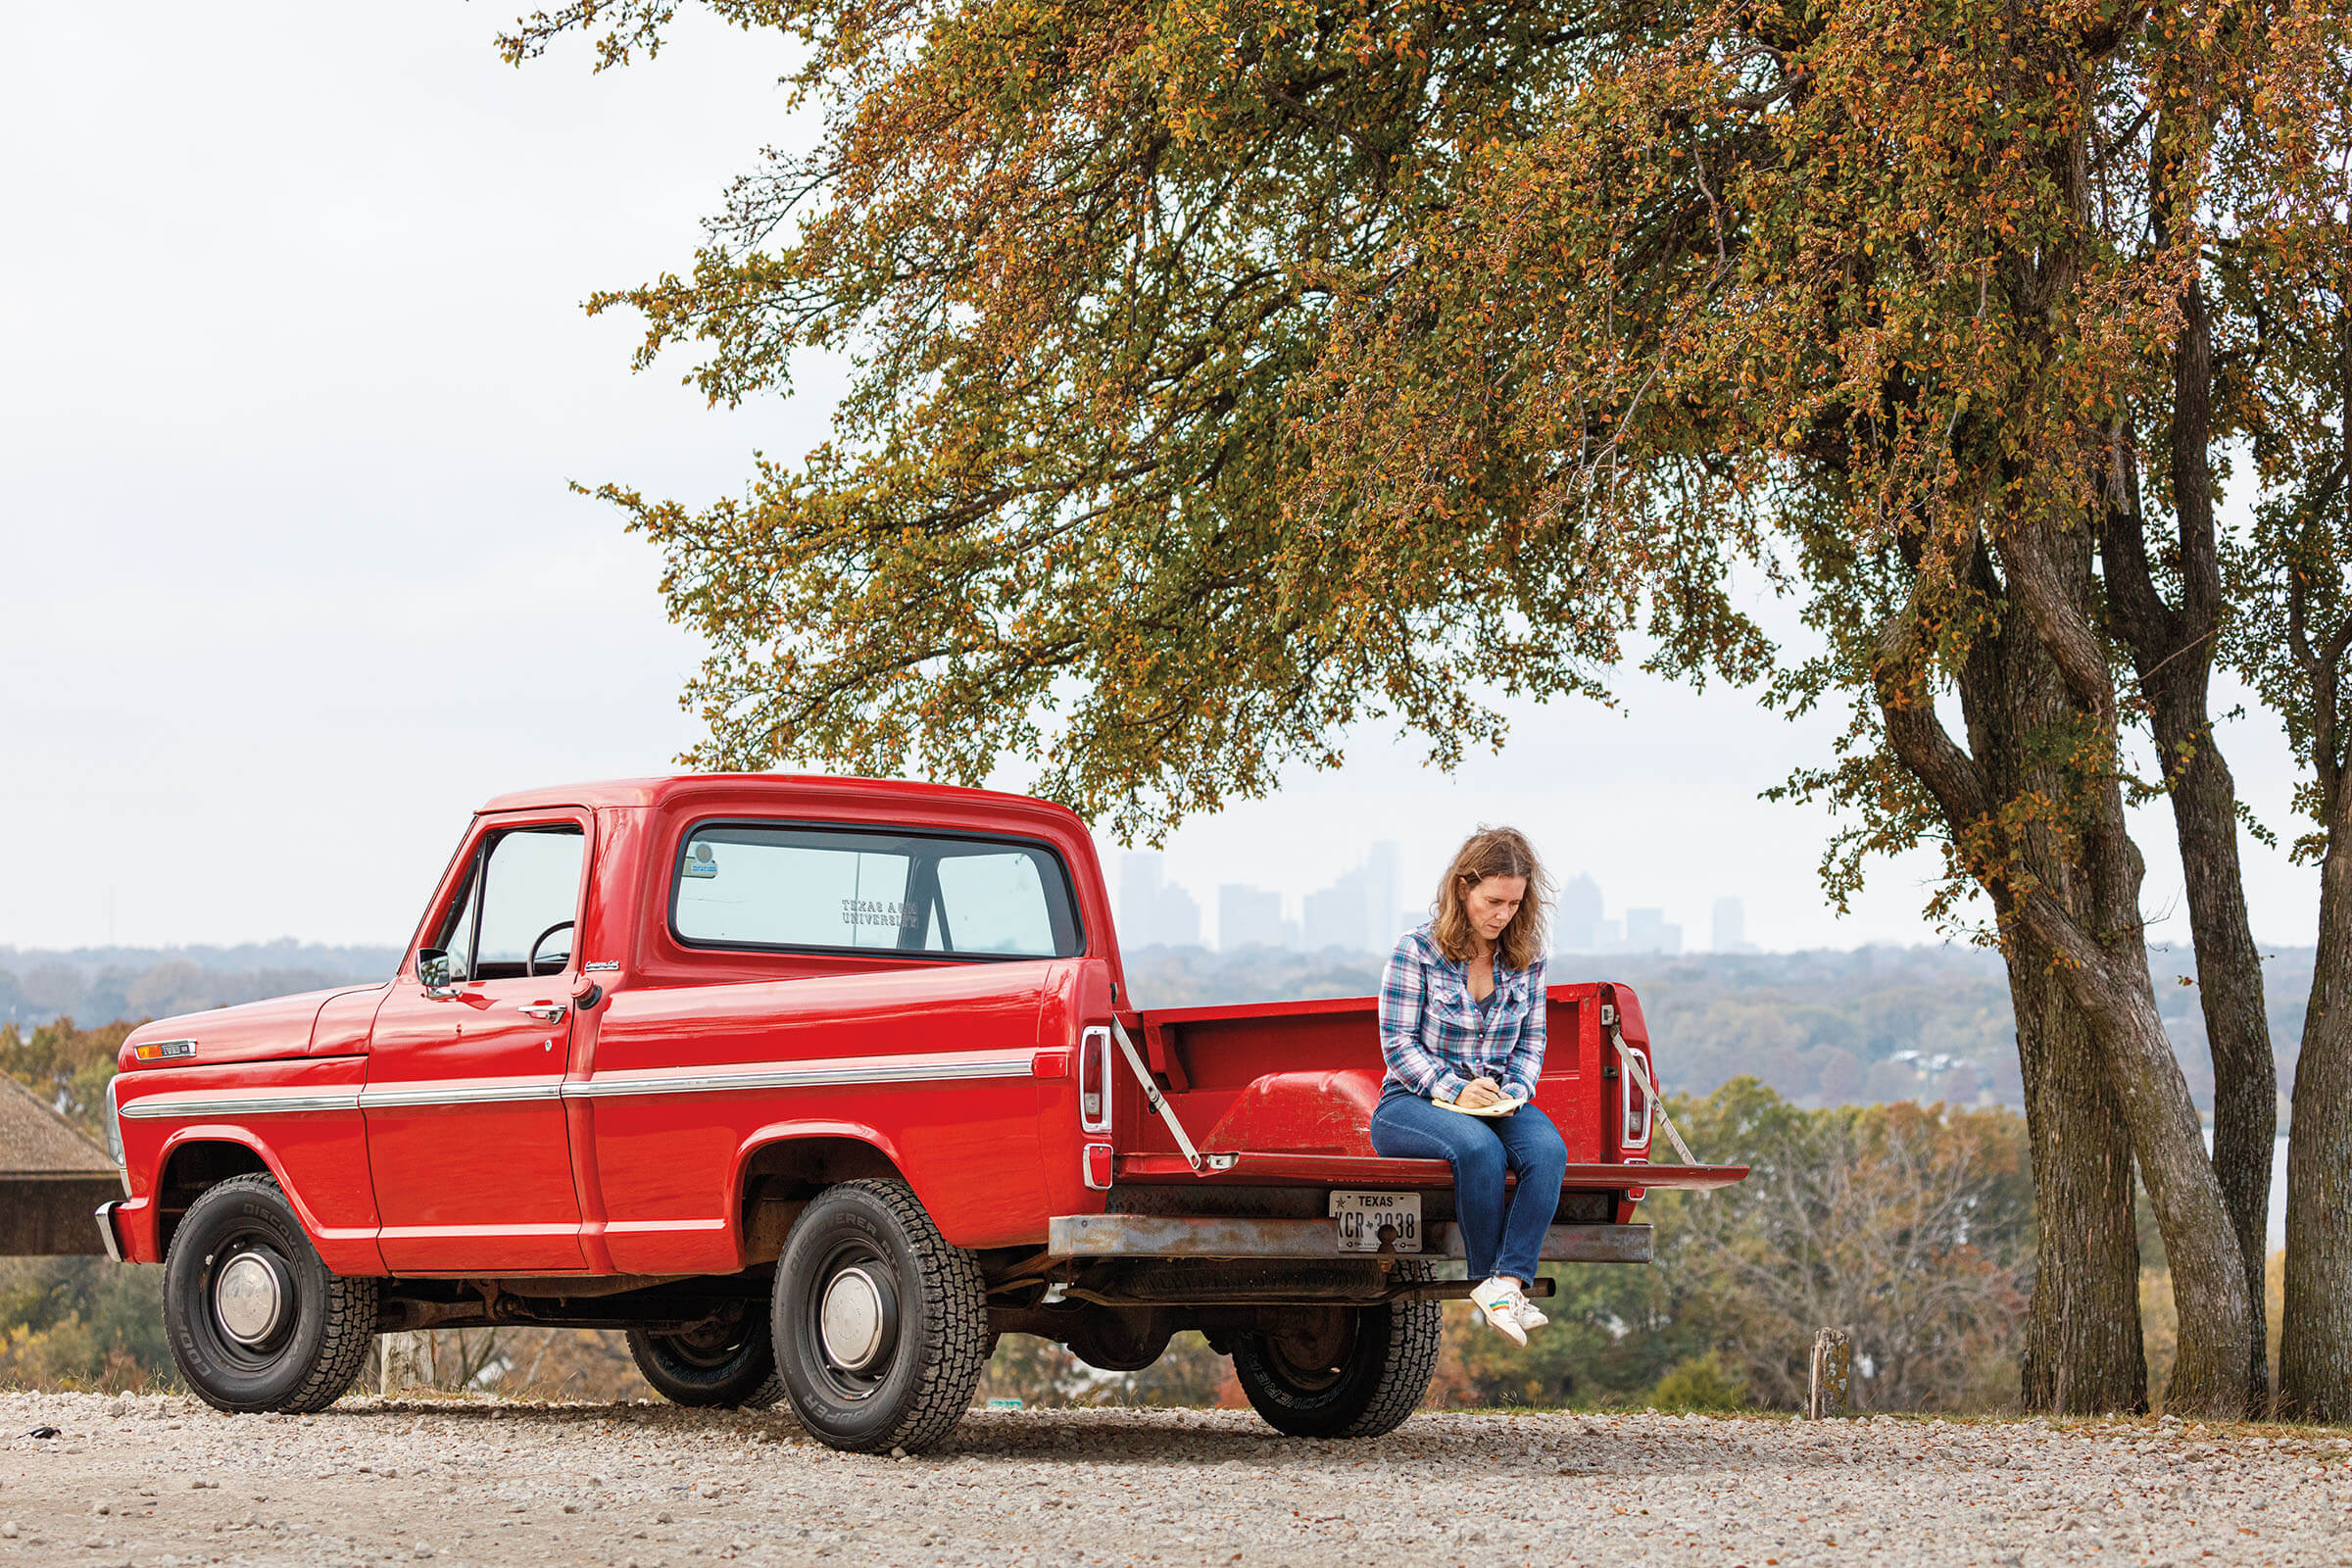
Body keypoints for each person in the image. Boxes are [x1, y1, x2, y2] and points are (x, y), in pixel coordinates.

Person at [1370, 826, 1568, 1347]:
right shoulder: (1416, 952)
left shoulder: (1528, 958)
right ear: (1464, 889)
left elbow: (1533, 1043)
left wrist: (1515, 1092)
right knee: (1477, 1148)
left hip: (1498, 1100)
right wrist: (1456, 1090)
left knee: (1548, 1150)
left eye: (1513, 903)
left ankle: (1508, 1281)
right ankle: (1486, 1279)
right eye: (1493, 901)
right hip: (1412, 1103)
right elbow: (1399, 1046)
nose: (1502, 914)